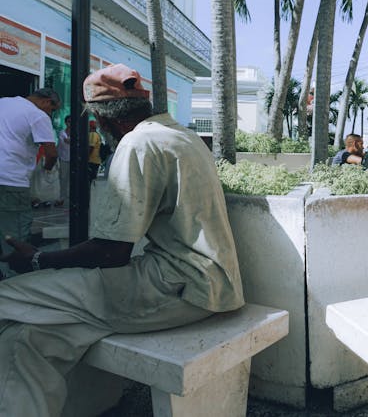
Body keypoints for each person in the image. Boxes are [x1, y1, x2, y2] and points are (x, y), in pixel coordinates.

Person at [0, 64, 244, 416]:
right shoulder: (181, 134)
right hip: (208, 284)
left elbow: (111, 252)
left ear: (105, 120)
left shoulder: (137, 144)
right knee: (26, 341)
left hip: (177, 287)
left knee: (8, 295)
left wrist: (38, 260)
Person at [0, 88, 59, 257]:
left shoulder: (3, 102)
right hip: (11, 180)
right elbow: (51, 153)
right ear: (47, 102)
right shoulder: (37, 115)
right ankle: (14, 279)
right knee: (15, 237)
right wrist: (46, 171)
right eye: (52, 110)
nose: (51, 114)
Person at [56, 115, 71, 207]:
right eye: (68, 121)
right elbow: (65, 141)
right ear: (65, 122)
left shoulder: (77, 131)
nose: (70, 123)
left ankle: (71, 198)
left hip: (74, 159)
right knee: (63, 178)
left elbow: (68, 141)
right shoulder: (61, 132)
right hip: (64, 158)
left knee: (72, 179)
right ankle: (62, 198)